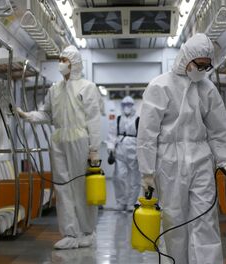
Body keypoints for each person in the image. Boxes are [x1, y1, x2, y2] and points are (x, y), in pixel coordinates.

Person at [137, 34, 226, 264]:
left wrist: (225, 162)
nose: (202, 70)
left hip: (201, 159)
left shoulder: (207, 89)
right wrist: (147, 173)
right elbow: (147, 134)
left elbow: (219, 129)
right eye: (198, 65)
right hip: (168, 162)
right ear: (186, 59)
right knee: (174, 222)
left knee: (206, 220)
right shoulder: (160, 86)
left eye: (206, 66)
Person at [14, 45, 101, 250]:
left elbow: (94, 120)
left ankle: (87, 232)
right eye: (60, 59)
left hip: (80, 140)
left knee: (81, 188)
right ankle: (70, 233)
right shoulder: (54, 89)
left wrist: (94, 149)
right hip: (59, 139)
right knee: (62, 188)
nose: (60, 63)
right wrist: (27, 116)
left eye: (65, 60)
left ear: (75, 63)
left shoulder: (87, 87)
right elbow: (47, 114)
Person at [107, 96, 140, 212]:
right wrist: (110, 150)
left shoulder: (138, 119)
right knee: (119, 177)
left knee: (134, 179)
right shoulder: (118, 119)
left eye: (129, 104)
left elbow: (142, 137)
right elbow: (111, 135)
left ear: (133, 106)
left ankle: (131, 203)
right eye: (124, 104)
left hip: (134, 150)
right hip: (120, 150)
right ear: (121, 106)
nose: (127, 107)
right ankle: (121, 202)